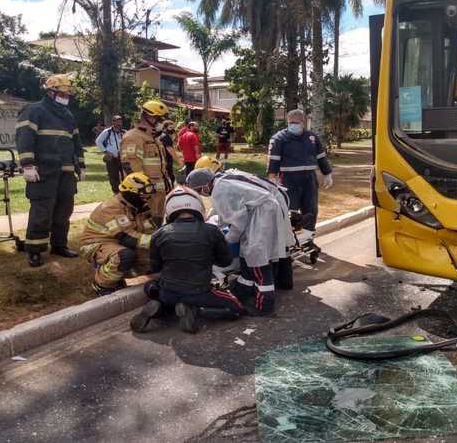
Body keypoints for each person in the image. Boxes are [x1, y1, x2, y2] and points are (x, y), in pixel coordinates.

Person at [129, 186, 245, 334]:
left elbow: (156, 267)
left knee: (150, 287)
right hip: (199, 292)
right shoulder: (211, 231)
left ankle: (161, 307)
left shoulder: (159, 234)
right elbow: (225, 262)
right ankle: (196, 310)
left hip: (167, 291)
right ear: (198, 206)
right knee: (237, 309)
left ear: (169, 209)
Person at [186, 162, 293, 316]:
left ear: (204, 186)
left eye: (198, 191)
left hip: (263, 213)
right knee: (247, 255)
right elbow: (225, 211)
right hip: (262, 210)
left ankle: (264, 307)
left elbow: (238, 222)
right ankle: (246, 290)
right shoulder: (222, 180)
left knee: (258, 260)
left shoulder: (220, 190)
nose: (201, 194)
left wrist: (225, 241)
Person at [16, 73, 86, 268]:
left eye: (68, 94)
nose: (66, 97)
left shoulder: (67, 115)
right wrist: (28, 164)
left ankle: (59, 245)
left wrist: (81, 165)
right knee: (42, 211)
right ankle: (35, 250)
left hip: (66, 172)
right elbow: (24, 138)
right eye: (62, 93)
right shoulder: (34, 110)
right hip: (43, 171)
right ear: (50, 92)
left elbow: (76, 141)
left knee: (64, 210)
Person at [79, 173, 156, 295]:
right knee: (124, 256)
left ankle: (118, 277)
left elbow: (149, 230)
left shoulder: (138, 206)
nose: (147, 199)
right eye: (143, 196)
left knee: (153, 260)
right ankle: (102, 285)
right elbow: (126, 237)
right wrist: (158, 240)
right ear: (131, 193)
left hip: (117, 243)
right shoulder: (112, 208)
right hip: (96, 244)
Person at [267, 109, 333, 242]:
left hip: (309, 179)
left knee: (310, 210)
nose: (293, 125)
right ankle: (291, 240)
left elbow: (321, 157)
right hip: (288, 180)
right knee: (290, 211)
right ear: (287, 122)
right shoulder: (279, 139)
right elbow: (273, 160)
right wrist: (272, 178)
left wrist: (327, 174)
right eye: (291, 122)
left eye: (296, 123)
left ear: (303, 123)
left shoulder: (312, 138)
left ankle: (308, 238)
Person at [120, 100, 171, 227]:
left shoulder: (153, 138)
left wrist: (167, 182)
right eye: (160, 119)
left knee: (158, 224)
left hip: (159, 191)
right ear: (149, 117)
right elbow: (131, 165)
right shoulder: (134, 137)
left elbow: (160, 165)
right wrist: (141, 190)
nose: (162, 123)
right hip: (147, 193)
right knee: (145, 225)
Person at [95, 115, 126, 193]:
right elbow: (98, 141)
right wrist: (105, 151)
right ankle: (116, 193)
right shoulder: (107, 132)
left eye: (120, 121)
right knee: (113, 177)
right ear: (113, 122)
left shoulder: (124, 132)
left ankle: (126, 193)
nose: (119, 123)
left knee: (125, 176)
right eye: (117, 121)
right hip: (112, 158)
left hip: (123, 158)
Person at [159, 120, 183, 185]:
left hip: (164, 160)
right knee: (170, 178)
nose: (172, 130)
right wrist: (178, 161)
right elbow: (170, 150)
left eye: (173, 128)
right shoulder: (166, 137)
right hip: (166, 160)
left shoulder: (162, 135)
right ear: (165, 127)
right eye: (170, 128)